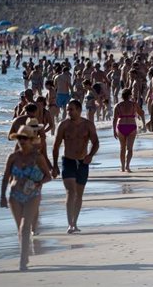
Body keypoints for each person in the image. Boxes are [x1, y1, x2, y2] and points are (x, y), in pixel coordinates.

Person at [1, 124, 51, 271]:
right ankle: (25, 254)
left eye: (25, 138)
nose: (21, 141)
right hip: (14, 195)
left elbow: (48, 176)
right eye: (19, 138)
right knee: (20, 229)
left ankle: (23, 260)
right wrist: (2, 196)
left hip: (32, 195)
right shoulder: (12, 157)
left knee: (25, 227)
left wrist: (37, 183)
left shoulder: (37, 157)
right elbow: (5, 177)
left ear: (30, 140)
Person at [52, 100, 99, 234]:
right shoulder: (63, 125)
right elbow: (56, 146)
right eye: (67, 110)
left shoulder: (88, 125)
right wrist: (54, 165)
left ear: (78, 110)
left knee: (79, 194)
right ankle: (70, 224)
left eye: (71, 110)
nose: (68, 112)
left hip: (83, 162)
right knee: (70, 192)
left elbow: (96, 142)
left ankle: (75, 222)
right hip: (68, 161)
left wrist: (90, 155)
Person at [113, 89, 145, 173]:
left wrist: (113, 130)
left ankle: (123, 167)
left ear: (122, 96)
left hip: (121, 126)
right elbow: (142, 113)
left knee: (122, 148)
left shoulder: (118, 105)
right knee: (130, 148)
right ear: (130, 95)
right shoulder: (134, 104)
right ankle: (127, 166)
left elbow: (114, 119)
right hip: (131, 126)